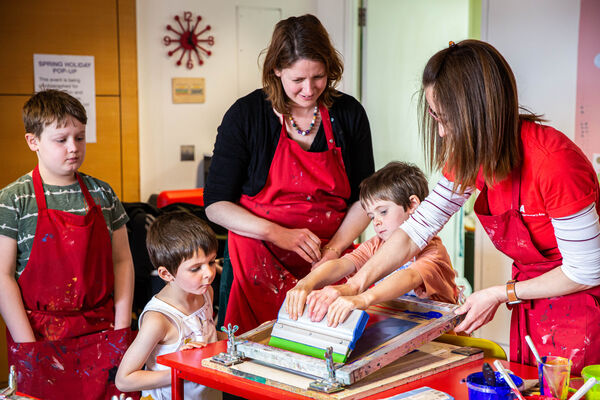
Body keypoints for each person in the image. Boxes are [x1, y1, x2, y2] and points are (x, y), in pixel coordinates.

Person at [314, 40, 600, 374]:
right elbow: (415, 232)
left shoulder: (555, 165)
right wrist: (354, 287)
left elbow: (586, 270)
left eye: (445, 118)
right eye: (435, 116)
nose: (440, 130)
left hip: (580, 303)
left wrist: (501, 293)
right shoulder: (472, 156)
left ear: (479, 113)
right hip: (531, 299)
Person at [204, 14, 375, 334]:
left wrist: (335, 250)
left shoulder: (349, 114)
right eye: (297, 80)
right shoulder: (246, 115)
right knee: (252, 360)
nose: (309, 89)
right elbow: (215, 204)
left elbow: (366, 199)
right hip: (256, 261)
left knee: (327, 359)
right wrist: (276, 233)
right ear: (276, 70)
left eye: (319, 77)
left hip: (327, 261)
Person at [0, 89, 135, 399]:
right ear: (32, 141)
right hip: (38, 335)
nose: (73, 148)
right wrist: (27, 345)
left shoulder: (103, 194)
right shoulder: (14, 199)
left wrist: (120, 325)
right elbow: (2, 274)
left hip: (101, 332)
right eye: (61, 140)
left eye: (80, 137)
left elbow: (122, 261)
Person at [285, 161, 459, 327]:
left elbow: (410, 277)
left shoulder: (433, 251)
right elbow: (342, 264)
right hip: (396, 330)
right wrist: (305, 284)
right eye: (371, 216)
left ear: (412, 204)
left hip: (442, 337)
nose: (376, 222)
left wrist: (363, 298)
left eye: (383, 211)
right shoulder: (376, 244)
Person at [116, 212, 224, 400]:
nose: (209, 273)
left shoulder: (205, 293)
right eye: (195, 268)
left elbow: (208, 336)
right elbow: (125, 379)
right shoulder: (158, 319)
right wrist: (182, 372)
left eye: (212, 261)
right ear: (166, 274)